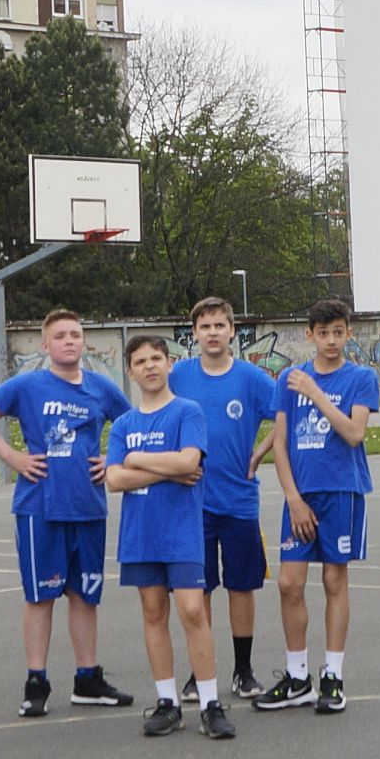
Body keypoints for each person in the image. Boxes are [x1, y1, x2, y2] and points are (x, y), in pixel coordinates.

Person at [0, 310, 132, 717]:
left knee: (84, 596)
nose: (69, 341)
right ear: (45, 345)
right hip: (39, 507)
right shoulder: (27, 386)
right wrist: (12, 457)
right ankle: (36, 681)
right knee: (41, 597)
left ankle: (87, 679)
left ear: (84, 341)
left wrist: (114, 461)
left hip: (88, 506)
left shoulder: (101, 387)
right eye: (60, 336)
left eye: (75, 334)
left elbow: (133, 426)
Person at [106, 334, 227, 739]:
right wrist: (166, 470)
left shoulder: (187, 412)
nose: (150, 366)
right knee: (154, 613)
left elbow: (189, 461)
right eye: (141, 362)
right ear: (130, 371)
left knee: (192, 611)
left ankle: (210, 703)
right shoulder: (124, 424)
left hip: (181, 531)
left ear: (169, 363)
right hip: (141, 534)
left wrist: (137, 459)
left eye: (156, 358)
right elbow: (113, 479)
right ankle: (167, 702)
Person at [261, 300, 378, 715]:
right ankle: (297, 677)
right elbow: (280, 442)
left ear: (349, 334)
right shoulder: (289, 378)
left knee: (333, 579)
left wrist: (316, 394)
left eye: (338, 332)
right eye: (323, 332)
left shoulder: (360, 378)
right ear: (309, 334)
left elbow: (354, 433)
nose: (331, 340)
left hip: (341, 491)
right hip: (302, 494)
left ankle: (333, 674)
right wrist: (293, 499)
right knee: (288, 583)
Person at [170, 297, 281, 699]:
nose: (213, 333)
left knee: (241, 586)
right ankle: (200, 673)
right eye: (205, 326)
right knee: (197, 592)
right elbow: (156, 414)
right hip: (192, 503)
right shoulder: (179, 376)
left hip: (238, 501)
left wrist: (262, 449)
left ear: (233, 331)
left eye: (220, 325)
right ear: (194, 334)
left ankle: (243, 670)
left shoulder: (251, 378)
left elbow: (286, 413)